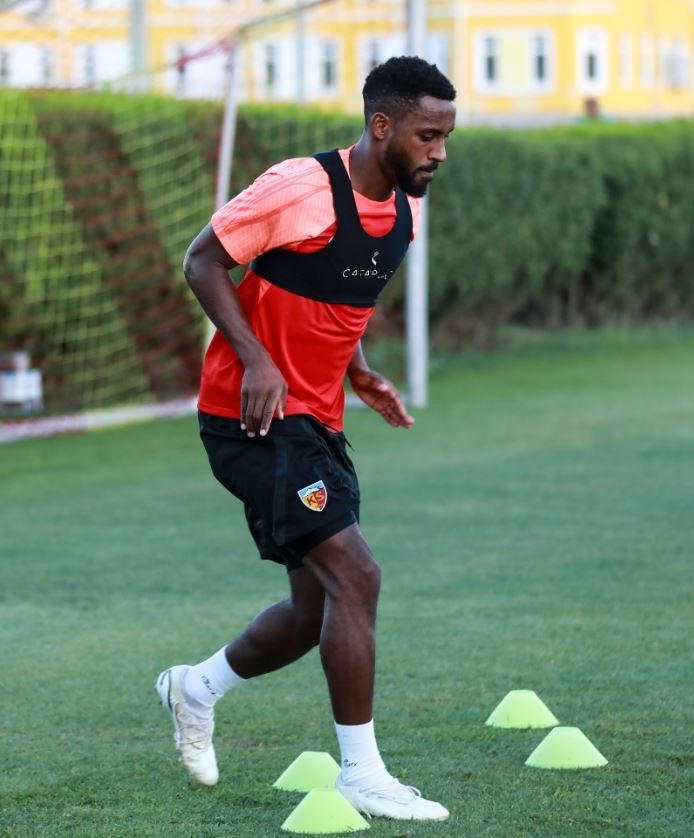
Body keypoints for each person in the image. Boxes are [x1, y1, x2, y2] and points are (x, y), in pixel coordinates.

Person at [156, 55, 456, 822]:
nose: (439, 153)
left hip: (317, 422)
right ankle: (362, 774)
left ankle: (194, 688)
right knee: (358, 576)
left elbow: (334, 297)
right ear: (381, 126)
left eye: (446, 137)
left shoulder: (405, 212)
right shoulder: (300, 187)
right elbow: (201, 261)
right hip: (250, 419)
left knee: (312, 612)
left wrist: (358, 370)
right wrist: (255, 358)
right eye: (427, 136)